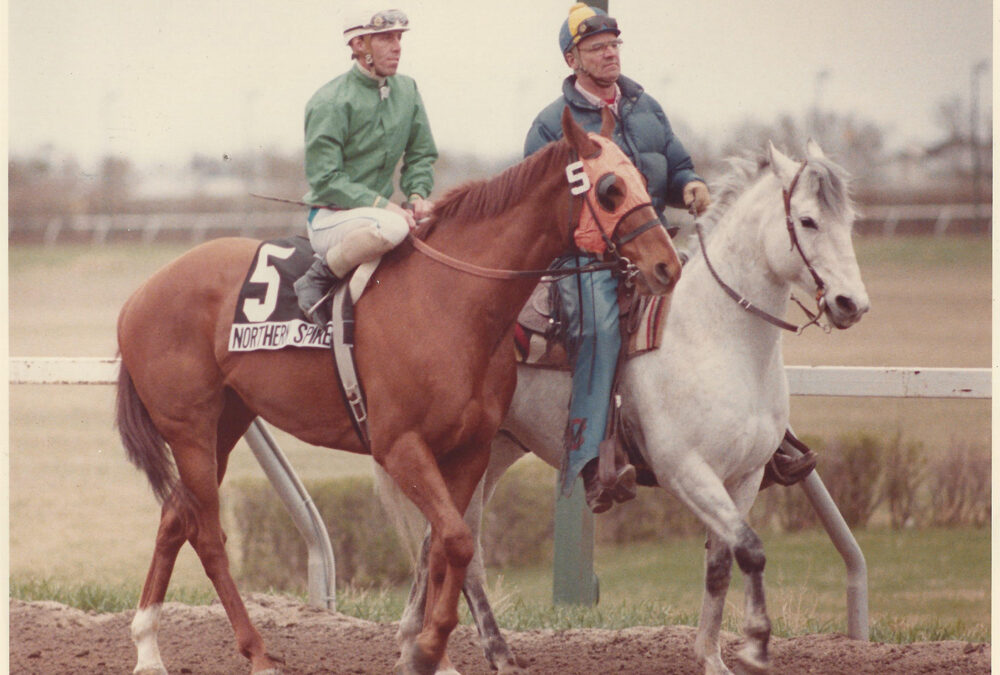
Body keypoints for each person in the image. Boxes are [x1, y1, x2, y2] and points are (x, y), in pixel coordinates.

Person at [524, 3, 712, 513]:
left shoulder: (644, 105)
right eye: (596, 48)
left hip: (651, 241)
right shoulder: (551, 126)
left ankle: (765, 437)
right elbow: (540, 204)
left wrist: (689, 184)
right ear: (572, 59)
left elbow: (675, 163)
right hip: (586, 257)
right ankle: (590, 463)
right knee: (601, 327)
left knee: (720, 300)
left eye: (613, 45)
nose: (610, 54)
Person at [295, 8, 438, 325]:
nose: (397, 46)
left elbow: (421, 153)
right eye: (386, 37)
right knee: (395, 226)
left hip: (381, 213)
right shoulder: (329, 101)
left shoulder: (408, 90)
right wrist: (384, 205)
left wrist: (416, 194)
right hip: (333, 219)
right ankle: (316, 279)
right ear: (359, 44)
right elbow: (326, 179)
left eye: (399, 37)